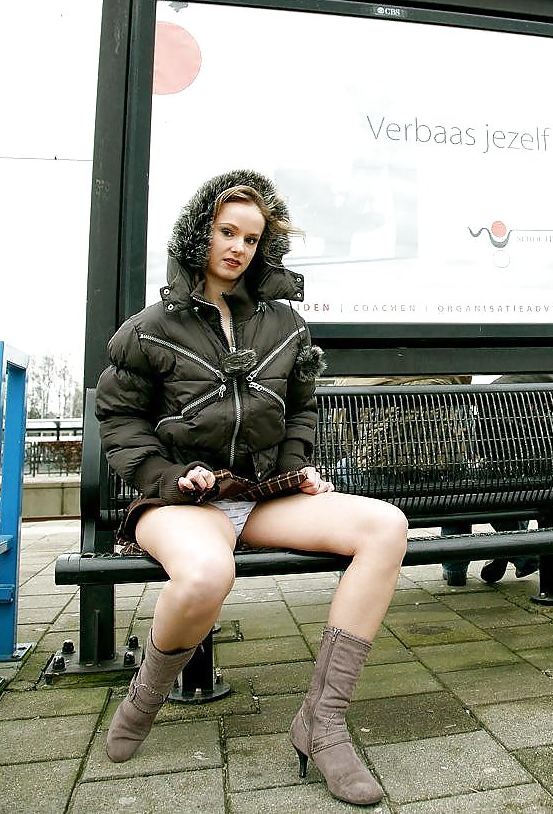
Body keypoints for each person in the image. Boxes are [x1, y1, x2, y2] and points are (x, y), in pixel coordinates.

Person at [95, 171, 408, 807]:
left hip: (261, 495)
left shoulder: (285, 326)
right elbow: (118, 419)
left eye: (251, 237)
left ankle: (322, 724)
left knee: (386, 527)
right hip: (182, 501)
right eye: (225, 231)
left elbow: (299, 409)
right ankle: (146, 694)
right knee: (209, 575)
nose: (237, 247)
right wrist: (166, 476)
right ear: (200, 234)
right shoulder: (152, 328)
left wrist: (296, 467)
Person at [440, 372, 553, 586]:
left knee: (466, 483)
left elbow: (486, 448)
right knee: (518, 478)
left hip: (513, 478)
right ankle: (509, 549)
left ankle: (515, 553)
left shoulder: (498, 388)